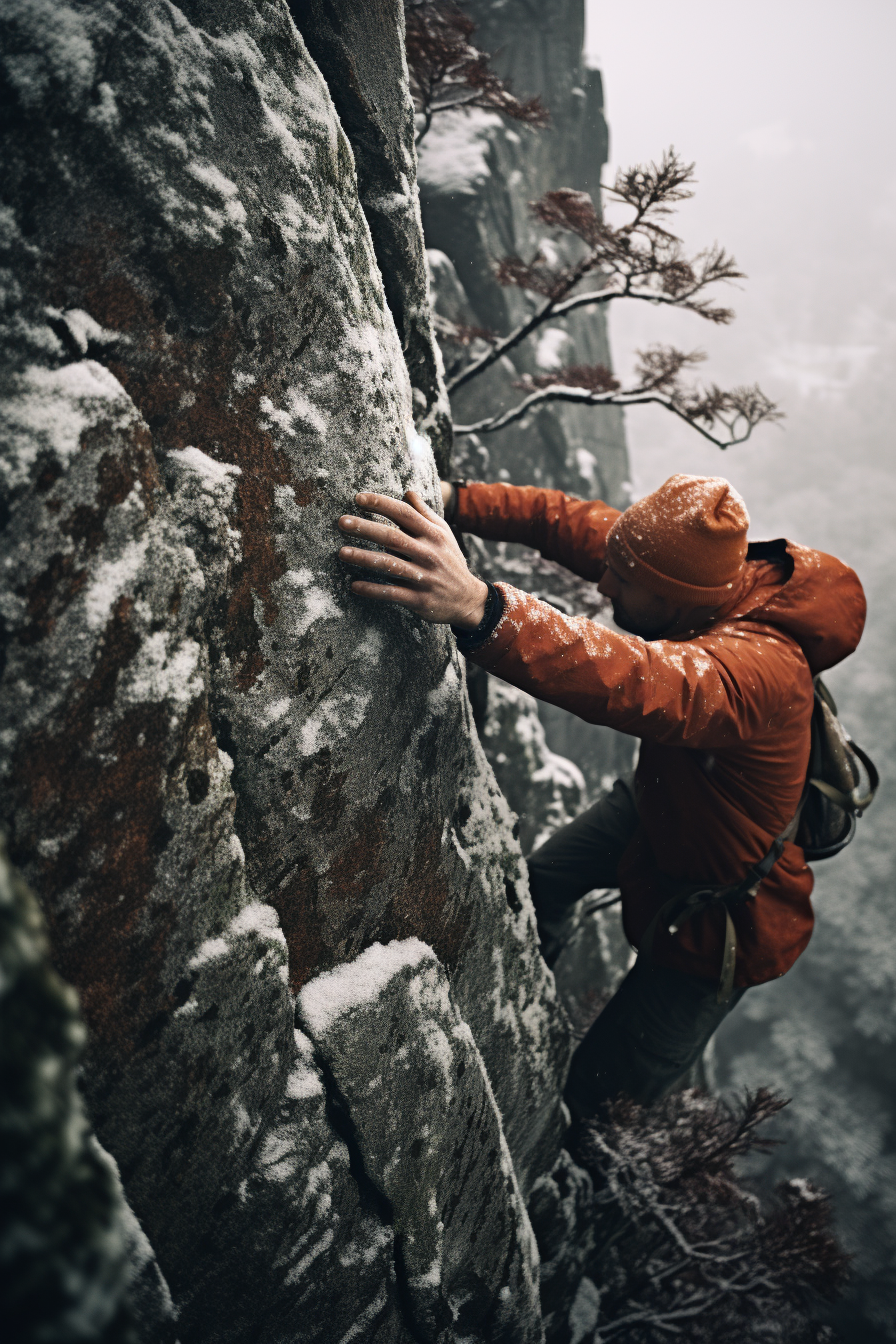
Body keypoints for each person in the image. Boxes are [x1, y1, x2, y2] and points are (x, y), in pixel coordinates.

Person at [336, 475, 865, 1118]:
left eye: (622, 581)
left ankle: (576, 1175)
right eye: (613, 568)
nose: (605, 585)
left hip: (722, 908)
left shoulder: (758, 675)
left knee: (608, 1097)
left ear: (675, 600)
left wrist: (479, 607)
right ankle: (527, 987)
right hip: (664, 803)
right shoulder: (682, 571)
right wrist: (448, 496)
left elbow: (641, 680)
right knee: (538, 889)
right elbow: (566, 520)